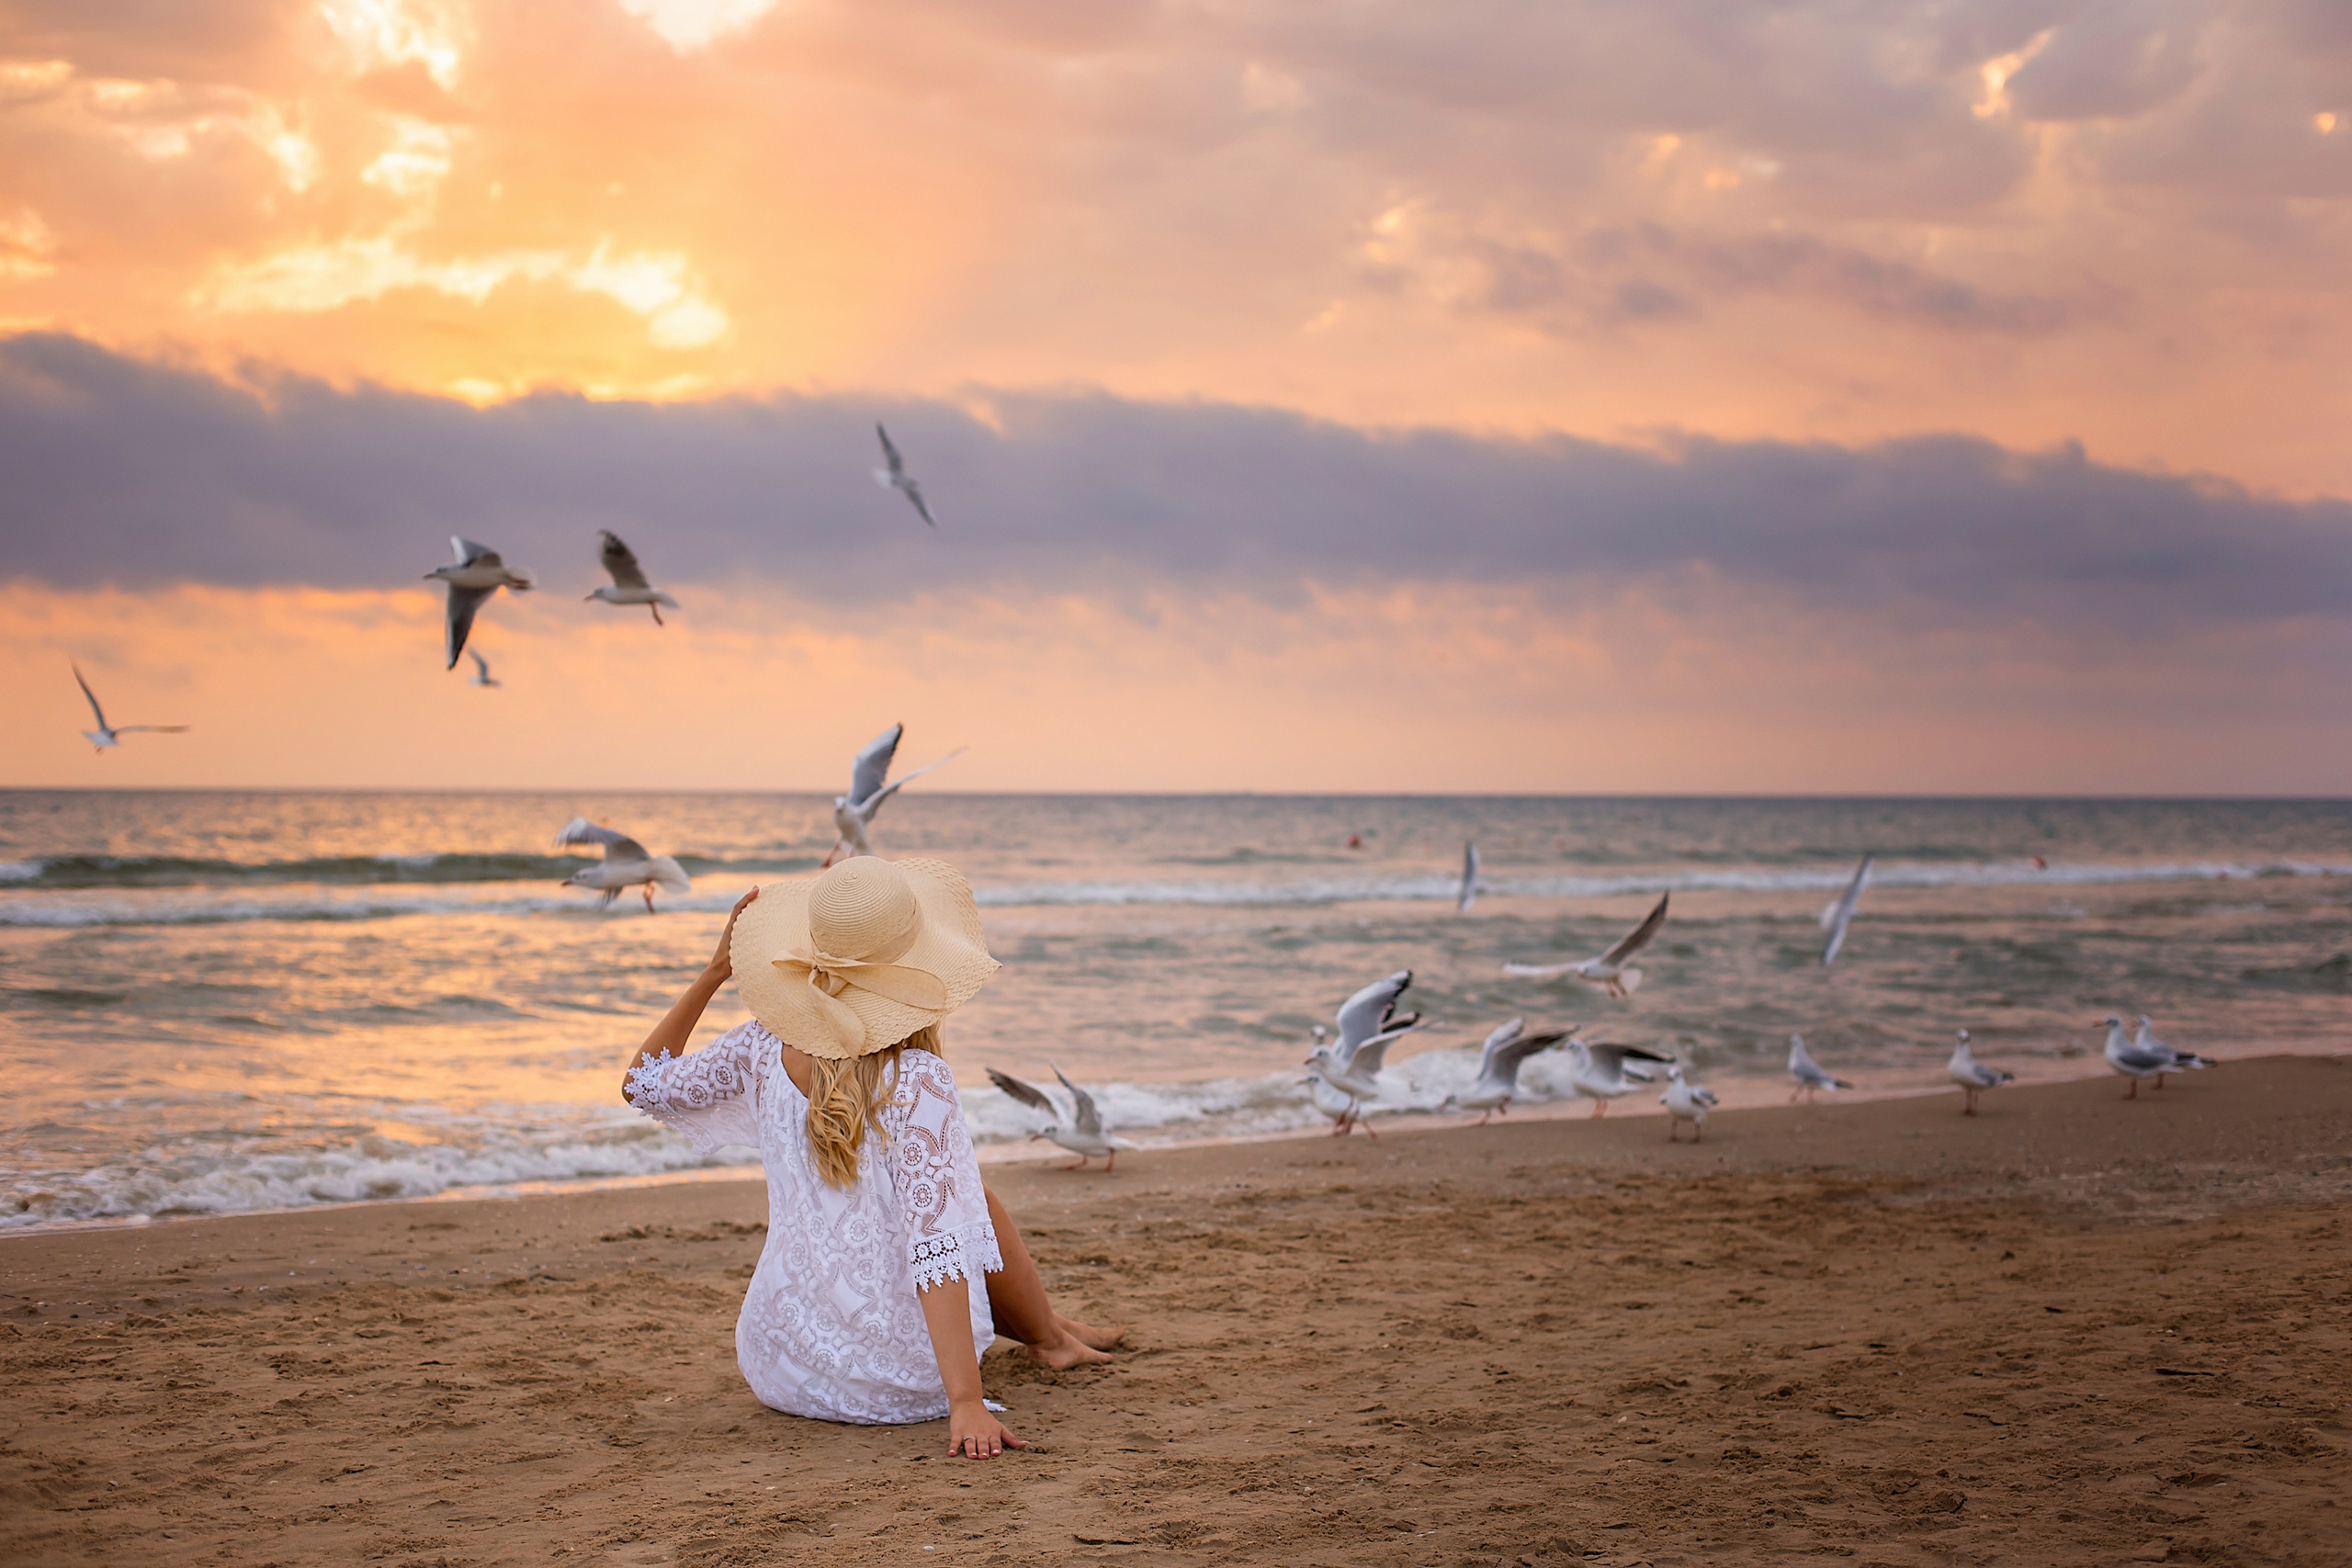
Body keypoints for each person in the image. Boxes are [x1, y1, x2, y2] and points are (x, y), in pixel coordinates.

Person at [620, 856, 1117, 1459]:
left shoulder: (761, 1046)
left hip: (781, 1363)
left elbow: (643, 1082)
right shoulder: (916, 1078)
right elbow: (937, 1247)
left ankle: (1053, 1329)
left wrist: (714, 972)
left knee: (953, 1195)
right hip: (898, 1382)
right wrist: (965, 1401)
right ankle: (1049, 1336)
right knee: (965, 1200)